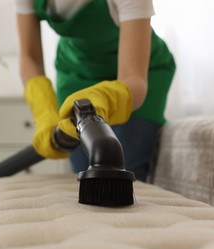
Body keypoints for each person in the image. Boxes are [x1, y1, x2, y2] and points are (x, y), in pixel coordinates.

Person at [15, 0, 176, 182]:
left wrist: (104, 98)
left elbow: (134, 78)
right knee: (83, 175)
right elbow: (29, 57)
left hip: (139, 74)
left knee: (125, 171)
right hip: (76, 74)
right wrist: (44, 113)